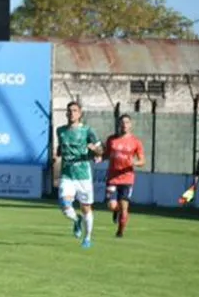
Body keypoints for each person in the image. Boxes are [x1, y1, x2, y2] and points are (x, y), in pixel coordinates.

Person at [54, 101, 102, 248]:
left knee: (86, 208)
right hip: (67, 174)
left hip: (83, 175)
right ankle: (76, 220)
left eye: (75, 110)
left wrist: (95, 150)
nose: (71, 113)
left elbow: (101, 151)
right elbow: (61, 148)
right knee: (64, 204)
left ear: (80, 113)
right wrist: (57, 155)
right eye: (69, 110)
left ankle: (87, 238)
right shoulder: (60, 130)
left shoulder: (88, 131)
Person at [103, 114, 145, 237]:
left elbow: (142, 161)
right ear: (118, 124)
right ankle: (116, 211)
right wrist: (98, 156)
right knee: (112, 205)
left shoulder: (136, 142)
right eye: (122, 122)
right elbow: (106, 155)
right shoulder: (111, 139)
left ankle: (120, 232)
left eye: (127, 122)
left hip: (127, 178)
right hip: (112, 177)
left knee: (124, 208)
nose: (124, 125)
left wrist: (134, 162)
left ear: (130, 125)